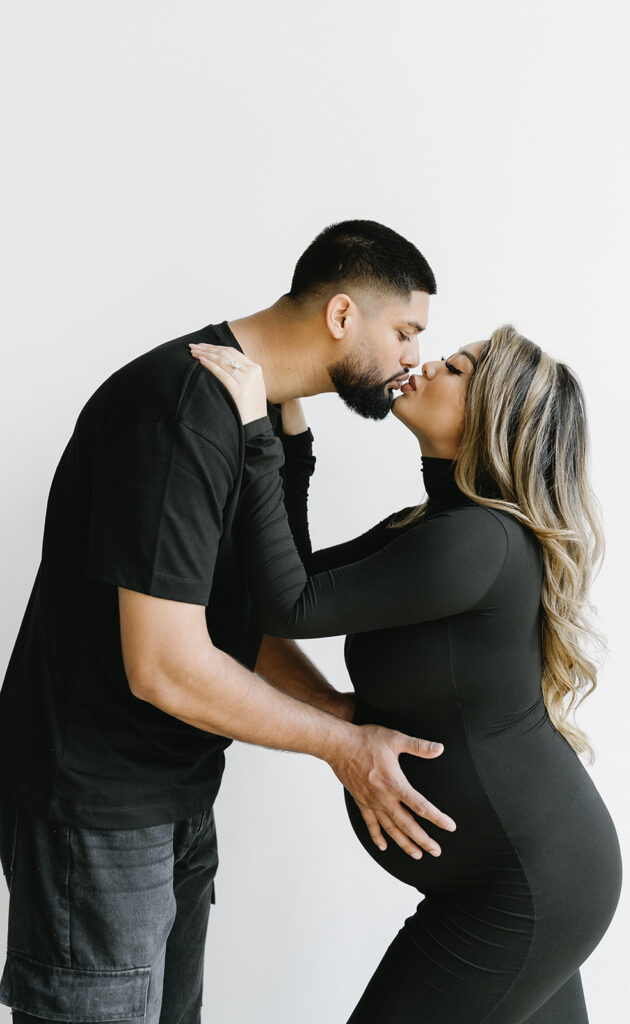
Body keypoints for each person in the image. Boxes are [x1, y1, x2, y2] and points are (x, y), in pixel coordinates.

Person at [0, 220, 460, 1024]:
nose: (411, 360)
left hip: (173, 794)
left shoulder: (261, 416)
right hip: (96, 809)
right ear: (342, 316)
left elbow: (240, 621)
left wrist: (343, 715)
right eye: (406, 332)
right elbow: (166, 664)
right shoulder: (179, 411)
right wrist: (341, 748)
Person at [190, 325, 623, 1024]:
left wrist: (253, 430)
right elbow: (285, 584)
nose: (425, 365)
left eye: (453, 368)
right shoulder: (432, 525)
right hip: (515, 879)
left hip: (524, 887)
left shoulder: (475, 540)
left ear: (490, 415)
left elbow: (286, 604)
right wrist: (291, 437)